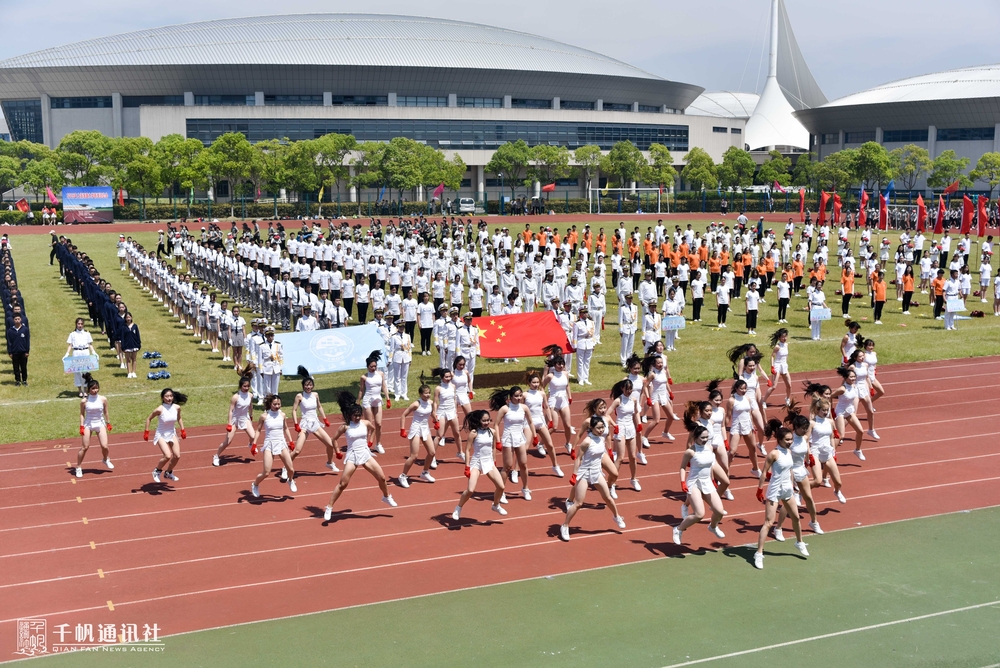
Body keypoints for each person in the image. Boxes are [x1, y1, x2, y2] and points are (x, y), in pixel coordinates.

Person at [322, 392, 397, 521]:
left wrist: (370, 441)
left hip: (365, 454)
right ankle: (329, 507)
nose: (357, 417)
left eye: (358, 415)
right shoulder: (345, 427)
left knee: (382, 477)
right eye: (355, 415)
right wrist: (337, 452)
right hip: (352, 456)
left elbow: (373, 429)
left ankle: (386, 496)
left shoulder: (365, 423)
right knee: (343, 484)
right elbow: (333, 439)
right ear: (350, 415)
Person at [752, 419, 811, 570]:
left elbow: (790, 470)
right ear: (779, 440)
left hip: (787, 490)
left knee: (796, 517)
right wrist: (759, 489)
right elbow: (764, 472)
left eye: (791, 439)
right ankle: (759, 553)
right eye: (787, 440)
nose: (790, 442)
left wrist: (793, 485)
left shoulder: (789, 452)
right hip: (775, 490)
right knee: (768, 523)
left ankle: (799, 542)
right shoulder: (774, 454)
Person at [559, 416, 626, 541]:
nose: (601, 430)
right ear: (591, 428)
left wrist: (610, 452)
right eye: (598, 428)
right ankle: (565, 525)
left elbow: (601, 455)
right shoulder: (587, 442)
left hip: (597, 472)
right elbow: (578, 459)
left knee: (607, 497)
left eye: (602, 427)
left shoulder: (601, 439)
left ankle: (617, 516)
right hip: (585, 473)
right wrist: (574, 475)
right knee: (579, 503)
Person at [672, 425, 726, 545]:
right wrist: (682, 482)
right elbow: (682, 467)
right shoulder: (690, 452)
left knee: (719, 512)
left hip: (707, 482)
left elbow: (710, 466)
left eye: (707, 437)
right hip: (694, 483)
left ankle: (713, 527)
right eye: (702, 438)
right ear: (695, 437)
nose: (705, 440)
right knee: (699, 514)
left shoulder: (710, 448)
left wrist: (713, 479)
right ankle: (678, 529)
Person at [451, 409, 508, 519]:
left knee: (501, 486)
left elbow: (493, 448)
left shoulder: (493, 432)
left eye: (488, 420)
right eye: (484, 420)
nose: (486, 422)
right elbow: (467, 450)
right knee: (470, 490)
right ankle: (458, 508)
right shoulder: (474, 433)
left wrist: (494, 461)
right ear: (479, 421)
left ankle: (496, 505)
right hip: (476, 462)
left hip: (488, 462)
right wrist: (467, 466)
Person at [290, 367, 337, 477]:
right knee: (297, 450)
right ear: (303, 386)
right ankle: (285, 467)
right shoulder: (299, 396)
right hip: (305, 425)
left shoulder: (315, 395)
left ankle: (330, 463)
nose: (308, 387)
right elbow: (294, 410)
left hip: (315, 423)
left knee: (330, 445)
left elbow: (319, 407)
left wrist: (325, 419)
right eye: (306, 385)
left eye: (310, 385)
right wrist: (296, 424)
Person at [491, 386, 535, 501]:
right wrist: (498, 441)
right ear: (510, 397)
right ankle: (501, 491)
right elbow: (496, 425)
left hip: (519, 438)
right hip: (508, 438)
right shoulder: (505, 409)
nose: (519, 398)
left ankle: (525, 488)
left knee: (523, 464)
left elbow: (530, 422)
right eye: (516, 396)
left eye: (520, 395)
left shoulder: (524, 408)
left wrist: (535, 436)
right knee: (507, 467)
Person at [249, 393, 297, 497]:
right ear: (270, 404)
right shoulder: (264, 416)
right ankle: (255, 484)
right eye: (275, 404)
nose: (277, 406)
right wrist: (254, 444)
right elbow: (258, 430)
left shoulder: (282, 415)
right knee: (266, 472)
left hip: (281, 443)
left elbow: (285, 428)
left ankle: (290, 480)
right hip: (269, 444)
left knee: (291, 469)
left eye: (279, 404)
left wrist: (291, 441)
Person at [143, 388, 188, 483]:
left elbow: (179, 418)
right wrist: (146, 431)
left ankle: (168, 472)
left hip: (171, 433)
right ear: (162, 398)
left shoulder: (176, 407)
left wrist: (182, 429)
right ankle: (157, 471)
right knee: (167, 456)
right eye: (167, 396)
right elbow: (149, 418)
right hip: (161, 434)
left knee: (177, 456)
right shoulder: (160, 409)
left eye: (171, 396)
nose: (169, 398)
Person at [524, 370, 562, 477]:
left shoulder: (542, 394)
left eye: (537, 382)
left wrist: (550, 420)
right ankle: (516, 469)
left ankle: (555, 466)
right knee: (525, 447)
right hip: (528, 423)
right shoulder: (525, 395)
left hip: (540, 422)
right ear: (529, 383)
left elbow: (546, 407)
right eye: (534, 382)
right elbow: (521, 409)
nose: (536, 384)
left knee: (550, 445)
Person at [398, 384, 437, 487]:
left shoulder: (430, 403)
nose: (428, 395)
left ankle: (425, 472)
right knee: (414, 456)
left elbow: (431, 413)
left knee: (432, 452)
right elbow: (403, 415)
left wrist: (435, 421)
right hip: (416, 429)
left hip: (425, 429)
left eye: (429, 393)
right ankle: (403, 476)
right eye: (426, 393)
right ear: (420, 394)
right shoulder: (416, 404)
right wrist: (402, 429)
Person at [75, 373, 113, 478]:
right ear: (88, 389)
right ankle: (78, 467)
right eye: (92, 388)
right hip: (88, 424)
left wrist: (108, 423)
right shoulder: (84, 401)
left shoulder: (103, 399)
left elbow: (106, 412)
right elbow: (82, 414)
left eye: (96, 388)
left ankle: (105, 459)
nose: (95, 390)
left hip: (100, 423)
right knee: (85, 447)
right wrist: (81, 426)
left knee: (105, 446)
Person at [214, 374, 257, 466]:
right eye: (244, 386)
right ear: (240, 386)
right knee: (228, 441)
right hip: (235, 419)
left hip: (245, 418)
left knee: (253, 436)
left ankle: (250, 444)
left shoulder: (250, 395)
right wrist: (229, 423)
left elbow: (250, 406)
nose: (246, 388)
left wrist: (251, 416)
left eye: (248, 386)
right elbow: (231, 410)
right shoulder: (235, 397)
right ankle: (216, 456)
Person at [608, 378, 642, 491]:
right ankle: (611, 483)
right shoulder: (618, 401)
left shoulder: (634, 400)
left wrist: (639, 424)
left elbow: (635, 413)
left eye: (630, 389)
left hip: (631, 428)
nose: (629, 391)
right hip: (621, 428)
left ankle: (633, 479)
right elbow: (607, 414)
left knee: (633, 456)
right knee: (620, 458)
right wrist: (615, 425)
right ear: (622, 388)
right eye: (627, 389)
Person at [725, 378, 762, 477]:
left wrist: (752, 425)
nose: (744, 390)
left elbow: (749, 413)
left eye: (745, 388)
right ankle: (725, 472)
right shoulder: (732, 400)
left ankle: (756, 469)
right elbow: (728, 416)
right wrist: (723, 428)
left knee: (753, 448)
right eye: (741, 388)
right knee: (732, 452)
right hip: (737, 427)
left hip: (748, 426)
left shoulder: (747, 398)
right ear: (736, 388)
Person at [831, 366, 867, 461]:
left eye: (854, 376)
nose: (853, 378)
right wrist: (831, 410)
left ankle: (857, 450)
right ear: (845, 378)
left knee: (860, 431)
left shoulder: (854, 386)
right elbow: (830, 396)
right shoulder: (842, 389)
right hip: (841, 412)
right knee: (841, 435)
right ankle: (831, 454)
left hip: (850, 411)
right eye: (851, 377)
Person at [642, 353, 679, 442]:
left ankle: (665, 432)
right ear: (654, 364)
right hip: (655, 397)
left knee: (671, 417)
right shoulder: (652, 374)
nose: (660, 364)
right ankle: (645, 437)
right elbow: (645, 386)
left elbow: (665, 382)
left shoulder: (664, 372)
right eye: (658, 363)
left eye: (661, 362)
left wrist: (670, 392)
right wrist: (648, 398)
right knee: (656, 420)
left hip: (663, 396)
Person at [358, 350, 389, 454]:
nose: (373, 368)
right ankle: (365, 445)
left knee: (378, 424)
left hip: (378, 400)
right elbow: (361, 390)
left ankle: (378, 444)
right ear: (367, 366)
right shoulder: (364, 377)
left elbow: (384, 386)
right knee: (369, 424)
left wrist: (388, 398)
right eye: (371, 366)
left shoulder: (380, 374)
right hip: (368, 400)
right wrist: (358, 401)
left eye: (375, 366)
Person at [542, 353, 574, 453]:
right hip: (553, 401)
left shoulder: (565, 374)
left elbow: (567, 385)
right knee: (554, 427)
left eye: (562, 364)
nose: (561, 366)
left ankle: (568, 443)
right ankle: (541, 443)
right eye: (559, 364)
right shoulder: (550, 376)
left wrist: (569, 396)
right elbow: (542, 387)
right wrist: (544, 400)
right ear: (554, 365)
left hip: (563, 401)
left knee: (568, 425)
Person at [432, 366, 463, 462]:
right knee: (439, 435)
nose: (448, 378)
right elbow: (435, 402)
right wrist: (434, 414)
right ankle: (432, 456)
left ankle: (460, 452)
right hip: (442, 412)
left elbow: (454, 399)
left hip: (452, 412)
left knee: (457, 433)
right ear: (442, 377)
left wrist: (455, 410)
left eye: (449, 376)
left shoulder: (453, 386)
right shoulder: (438, 388)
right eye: (446, 377)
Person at [66, 317, 96, 397]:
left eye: (81, 324)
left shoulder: (87, 333)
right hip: (76, 352)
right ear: (76, 324)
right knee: (77, 372)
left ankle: (85, 390)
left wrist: (94, 352)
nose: (80, 325)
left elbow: (90, 344)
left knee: (85, 372)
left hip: (85, 351)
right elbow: (70, 345)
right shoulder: (72, 334)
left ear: (83, 325)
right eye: (78, 324)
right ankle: (79, 390)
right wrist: (67, 354)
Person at [761, 328, 791, 407]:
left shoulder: (786, 345)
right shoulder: (777, 347)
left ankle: (787, 399)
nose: (784, 338)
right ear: (779, 338)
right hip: (777, 365)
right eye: (783, 337)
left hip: (784, 366)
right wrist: (772, 367)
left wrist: (786, 364)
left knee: (789, 385)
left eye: (785, 336)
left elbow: (786, 356)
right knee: (774, 386)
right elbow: (772, 356)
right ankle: (764, 401)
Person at [257, 326, 282, 397]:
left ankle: (275, 401)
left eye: (272, 335)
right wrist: (261, 371)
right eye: (268, 335)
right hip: (266, 367)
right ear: (265, 336)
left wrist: (280, 368)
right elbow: (260, 359)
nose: (270, 337)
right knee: (267, 388)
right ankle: (267, 401)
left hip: (276, 367)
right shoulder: (262, 346)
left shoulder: (278, 344)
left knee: (275, 388)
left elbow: (281, 357)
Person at [6, 312, 29, 386]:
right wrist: (10, 352)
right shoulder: (10, 331)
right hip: (15, 352)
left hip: (23, 351)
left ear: (21, 319)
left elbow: (27, 341)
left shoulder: (25, 329)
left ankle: (24, 380)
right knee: (16, 367)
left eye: (18, 319)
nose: (17, 320)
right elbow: (9, 342)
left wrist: (27, 351)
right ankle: (17, 381)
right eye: (15, 319)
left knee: (23, 367)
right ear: (13, 320)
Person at [120, 312, 141, 379]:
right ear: (125, 319)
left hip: (134, 345)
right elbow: (122, 337)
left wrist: (138, 344)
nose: (128, 319)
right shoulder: (123, 327)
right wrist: (123, 346)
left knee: (134, 359)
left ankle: (133, 372)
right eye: (127, 317)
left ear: (131, 317)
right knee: (128, 359)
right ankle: (129, 372)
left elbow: (138, 335)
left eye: (129, 317)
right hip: (127, 345)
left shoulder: (135, 326)